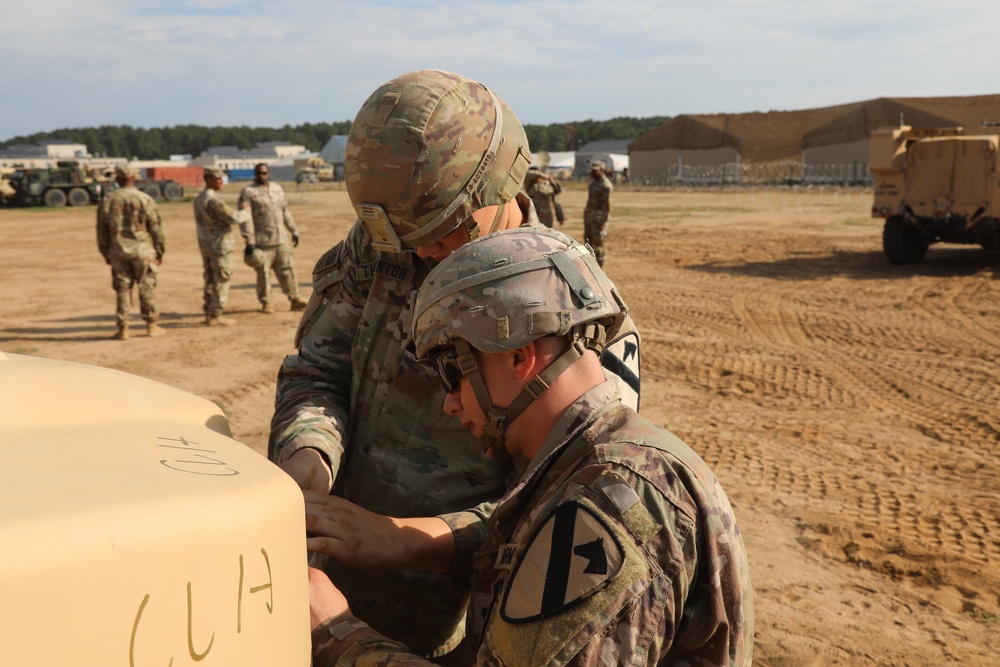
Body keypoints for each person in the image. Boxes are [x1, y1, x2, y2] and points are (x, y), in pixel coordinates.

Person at [269, 69, 640, 661]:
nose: (422, 254)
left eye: (441, 232)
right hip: (320, 566)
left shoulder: (568, 313)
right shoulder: (384, 250)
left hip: (438, 604)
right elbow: (317, 371)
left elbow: (560, 504)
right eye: (406, 237)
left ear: (497, 188)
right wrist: (307, 456)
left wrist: (403, 541)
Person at [307, 227, 754, 666]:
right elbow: (525, 540)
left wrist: (335, 633)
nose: (448, 401)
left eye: (451, 370)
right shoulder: (587, 461)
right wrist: (401, 540)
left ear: (519, 356)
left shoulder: (607, 504)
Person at [96, 163, 165, 340]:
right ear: (133, 177)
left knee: (123, 288)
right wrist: (160, 251)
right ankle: (151, 325)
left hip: (118, 250)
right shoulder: (144, 199)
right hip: (143, 250)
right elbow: (155, 228)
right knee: (147, 286)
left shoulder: (109, 199)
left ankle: (123, 328)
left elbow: (101, 229)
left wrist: (105, 252)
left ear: (118, 179)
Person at [238, 163, 307, 313]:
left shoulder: (277, 189)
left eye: (264, 173)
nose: (261, 176)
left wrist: (294, 230)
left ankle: (295, 298)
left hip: (281, 239)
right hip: (262, 242)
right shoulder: (249, 192)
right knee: (264, 274)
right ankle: (267, 302)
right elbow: (246, 218)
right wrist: (250, 241)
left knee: (287, 270)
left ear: (268, 173)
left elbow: (285, 212)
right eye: (258, 174)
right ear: (255, 174)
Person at [193, 167, 253, 326]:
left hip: (206, 245)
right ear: (209, 180)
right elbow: (233, 217)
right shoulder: (213, 200)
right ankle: (215, 314)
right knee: (221, 278)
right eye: (218, 179)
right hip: (219, 246)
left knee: (210, 279)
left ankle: (209, 310)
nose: (221, 182)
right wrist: (247, 212)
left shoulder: (199, 198)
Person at [584, 160, 613, 267]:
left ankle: (601, 269)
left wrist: (603, 224)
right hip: (589, 220)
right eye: (592, 170)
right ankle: (590, 267)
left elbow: (607, 207)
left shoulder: (606, 186)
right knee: (588, 245)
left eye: (595, 171)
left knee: (599, 246)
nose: (593, 173)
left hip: (598, 221)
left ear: (602, 170)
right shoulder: (593, 183)